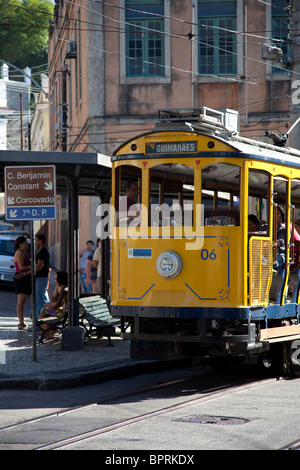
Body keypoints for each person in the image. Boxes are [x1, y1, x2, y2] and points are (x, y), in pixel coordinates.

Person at [37, 271, 68, 340]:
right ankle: (49, 331)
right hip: (66, 311)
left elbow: (58, 304)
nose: (55, 281)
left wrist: (50, 307)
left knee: (40, 310)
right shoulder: (67, 287)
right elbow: (55, 301)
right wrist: (49, 292)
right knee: (43, 311)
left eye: (56, 279)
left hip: (64, 313)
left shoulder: (64, 289)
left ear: (60, 280)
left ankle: (48, 332)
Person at [13, 236, 32, 330]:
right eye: (25, 242)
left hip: (25, 277)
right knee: (21, 301)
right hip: (21, 278)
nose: (26, 244)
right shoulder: (20, 253)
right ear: (20, 244)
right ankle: (21, 323)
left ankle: (22, 322)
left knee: (23, 301)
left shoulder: (24, 252)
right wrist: (32, 266)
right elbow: (21, 267)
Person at [35, 234, 50, 311]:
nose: (35, 242)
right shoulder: (41, 251)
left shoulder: (43, 252)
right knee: (43, 297)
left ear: (40, 241)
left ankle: (40, 317)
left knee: (39, 299)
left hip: (41, 277)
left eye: (36, 240)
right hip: (42, 277)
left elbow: (38, 266)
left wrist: (25, 272)